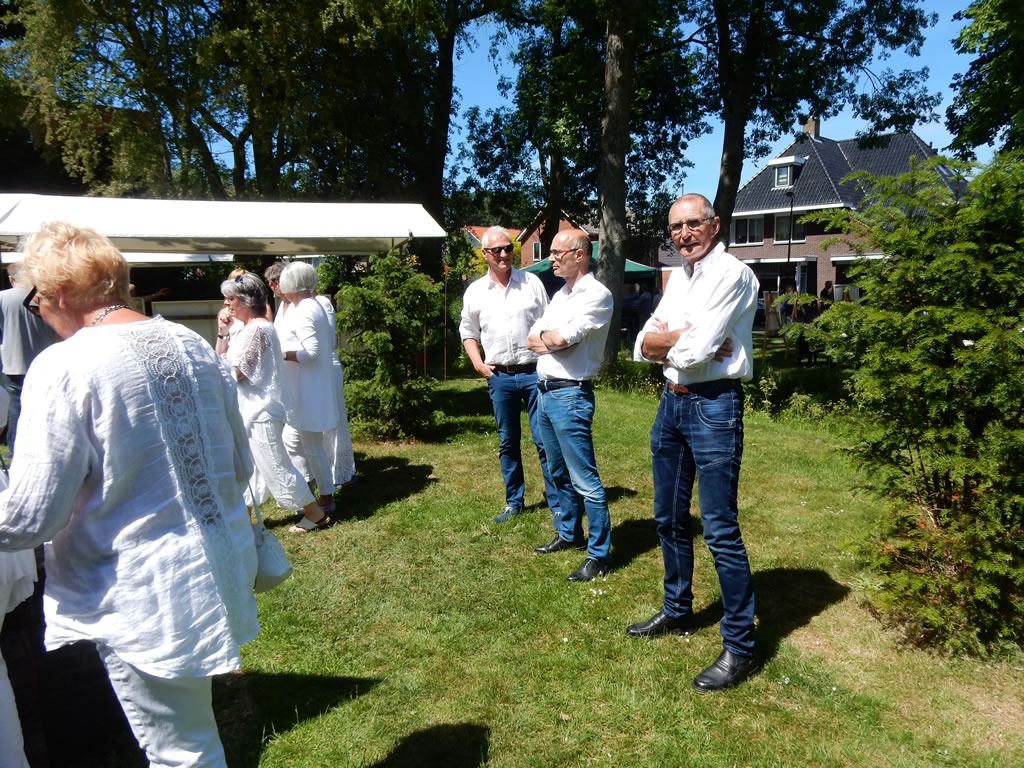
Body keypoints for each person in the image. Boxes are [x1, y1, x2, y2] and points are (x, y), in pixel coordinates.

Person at [0, 221, 259, 765]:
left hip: (142, 590)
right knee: (190, 731)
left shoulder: (65, 364)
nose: (38, 311)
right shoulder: (190, 343)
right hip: (217, 562)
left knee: (180, 750)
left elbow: (29, 516)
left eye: (35, 300)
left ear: (60, 292)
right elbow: (239, 466)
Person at [628, 193, 760, 692]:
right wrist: (674, 339)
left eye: (692, 224)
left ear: (714, 224)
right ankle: (677, 608)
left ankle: (740, 647)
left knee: (720, 528)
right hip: (671, 403)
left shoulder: (732, 274)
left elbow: (698, 351)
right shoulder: (679, 277)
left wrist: (673, 341)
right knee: (667, 515)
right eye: (676, 227)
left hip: (714, 405)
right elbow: (642, 343)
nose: (683, 235)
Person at [526, 229, 613, 582]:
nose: (551, 259)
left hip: (570, 395)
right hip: (545, 392)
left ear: (580, 254)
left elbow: (564, 338)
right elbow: (533, 339)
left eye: (557, 252)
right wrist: (552, 341)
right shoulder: (560, 295)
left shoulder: (597, 295)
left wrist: (552, 340)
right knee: (556, 471)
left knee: (584, 478)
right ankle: (569, 533)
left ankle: (599, 554)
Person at [459, 226, 561, 525]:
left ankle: (557, 504)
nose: (504, 254)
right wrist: (479, 365)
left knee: (545, 440)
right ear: (485, 254)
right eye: (497, 250)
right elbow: (468, 332)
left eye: (508, 248)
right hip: (500, 377)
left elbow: (549, 322)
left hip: (534, 373)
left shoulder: (531, 283)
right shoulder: (475, 291)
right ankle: (514, 503)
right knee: (508, 441)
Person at [219, 274, 331, 533]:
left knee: (275, 464)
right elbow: (225, 359)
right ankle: (244, 518)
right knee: (252, 467)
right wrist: (223, 335)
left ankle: (315, 514)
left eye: (231, 299)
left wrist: (208, 371)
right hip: (252, 409)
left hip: (262, 410)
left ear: (246, 301)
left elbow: (237, 371)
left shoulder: (258, 329)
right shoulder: (249, 328)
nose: (227, 304)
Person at [276, 262, 339, 515]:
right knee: (292, 441)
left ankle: (325, 498)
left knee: (310, 445)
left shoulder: (304, 310)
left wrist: (282, 354)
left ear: (291, 284)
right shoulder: (313, 305)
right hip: (306, 388)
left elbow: (312, 353)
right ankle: (309, 493)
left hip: (308, 390)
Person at [0, 263, 59, 452]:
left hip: (13, 363)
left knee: (16, 411)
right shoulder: (43, 298)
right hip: (45, 361)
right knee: (45, 408)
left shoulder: (2, 298)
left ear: (11, 279)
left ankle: (16, 451)